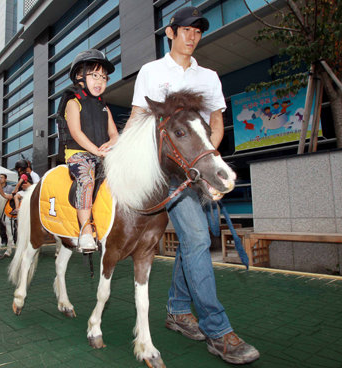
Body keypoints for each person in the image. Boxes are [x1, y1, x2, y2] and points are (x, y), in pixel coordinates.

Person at [125, 7, 259, 364]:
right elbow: (138, 118)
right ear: (171, 33)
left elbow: (215, 123)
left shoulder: (209, 76)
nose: (192, 36)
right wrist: (117, 154)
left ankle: (178, 311)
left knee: (195, 239)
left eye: (197, 31)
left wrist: (209, 164)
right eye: (185, 30)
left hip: (198, 169)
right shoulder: (152, 72)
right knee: (199, 238)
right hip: (166, 173)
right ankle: (218, 332)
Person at [59, 48, 119, 252]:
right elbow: (76, 132)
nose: (100, 80)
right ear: (79, 76)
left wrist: (109, 145)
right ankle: (85, 231)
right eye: (94, 75)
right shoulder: (73, 103)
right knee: (86, 179)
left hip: (101, 155)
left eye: (104, 77)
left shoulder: (104, 106)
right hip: (79, 155)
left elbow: (114, 135)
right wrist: (95, 150)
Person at [0, 173, 15, 245]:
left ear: (5, 179)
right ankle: (3, 240)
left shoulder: (10, 188)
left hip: (8, 209)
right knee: (1, 225)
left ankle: (12, 240)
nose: (0, 179)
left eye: (2, 177)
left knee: (10, 225)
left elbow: (13, 196)